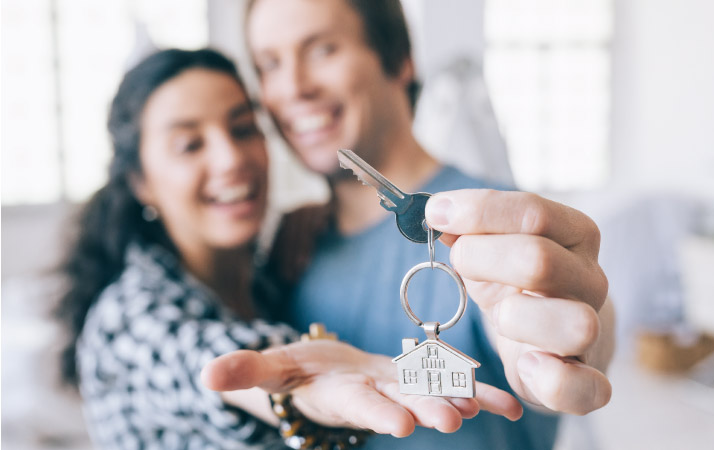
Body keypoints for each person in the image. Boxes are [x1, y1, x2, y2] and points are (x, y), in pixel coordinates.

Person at [55, 48, 520, 449]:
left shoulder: (275, 271)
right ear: (140, 182)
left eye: (242, 129)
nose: (231, 158)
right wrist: (294, 380)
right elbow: (211, 363)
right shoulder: (129, 319)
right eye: (190, 144)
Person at [204, 0, 616, 449]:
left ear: (399, 59)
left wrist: (562, 347)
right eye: (270, 63)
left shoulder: (490, 221)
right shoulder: (290, 242)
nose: (293, 87)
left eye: (322, 50)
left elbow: (550, 310)